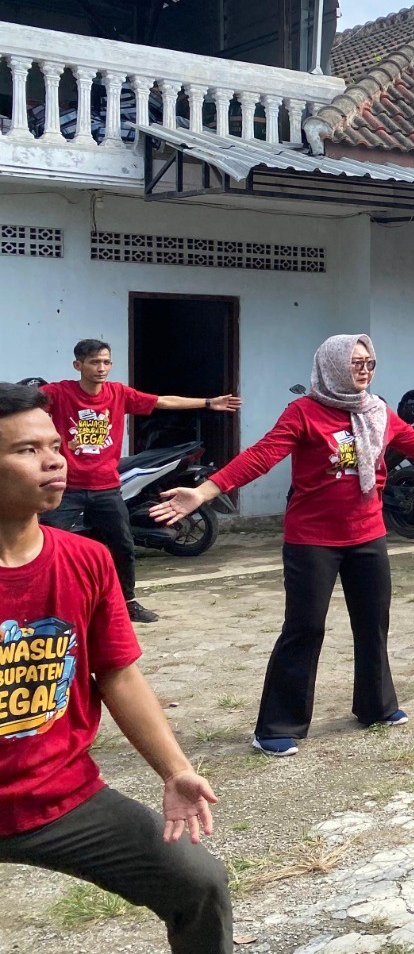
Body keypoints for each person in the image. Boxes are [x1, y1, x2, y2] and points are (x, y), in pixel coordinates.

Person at [150, 336, 414, 757]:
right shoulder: (304, 412)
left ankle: (376, 706)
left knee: (373, 622)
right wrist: (205, 491)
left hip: (367, 534)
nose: (364, 370)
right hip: (313, 540)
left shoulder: (377, 410)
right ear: (332, 365)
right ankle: (275, 726)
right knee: (305, 628)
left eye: (370, 362)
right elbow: (261, 455)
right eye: (356, 362)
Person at [0, 381, 232, 953]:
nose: (54, 461)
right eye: (27, 450)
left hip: (59, 797)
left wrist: (174, 771)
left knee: (199, 883)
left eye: (55, 446)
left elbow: (118, 674)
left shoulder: (87, 560)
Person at [39, 340, 241, 624]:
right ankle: (45, 607)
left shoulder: (118, 393)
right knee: (48, 547)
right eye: (94, 362)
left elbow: (162, 401)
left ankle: (128, 602)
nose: (101, 368)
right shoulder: (59, 393)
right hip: (67, 488)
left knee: (123, 546)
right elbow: (24, 404)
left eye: (106, 362)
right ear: (78, 365)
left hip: (106, 488)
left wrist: (208, 403)